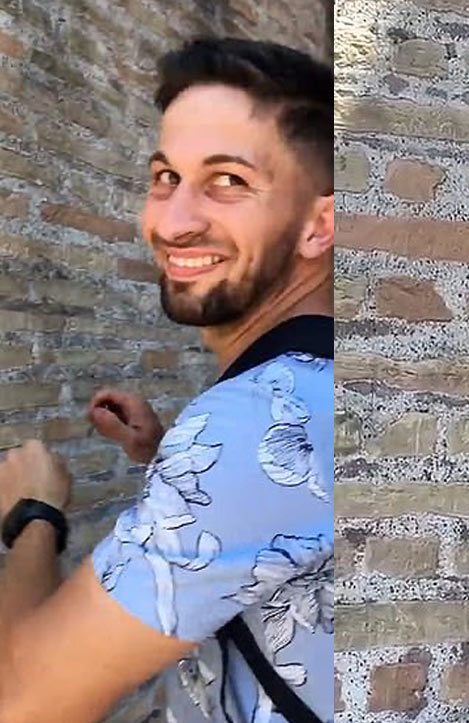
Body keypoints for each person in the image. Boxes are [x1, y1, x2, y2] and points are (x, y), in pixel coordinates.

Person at [0, 38, 334, 723]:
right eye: (165, 177)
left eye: (228, 182)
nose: (171, 222)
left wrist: (32, 512)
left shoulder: (254, 425)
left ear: (319, 224)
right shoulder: (309, 389)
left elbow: (22, 702)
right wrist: (167, 452)